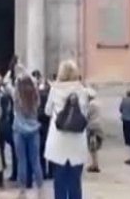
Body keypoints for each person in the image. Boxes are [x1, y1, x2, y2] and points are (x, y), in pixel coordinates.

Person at [44, 60, 89, 199]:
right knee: (75, 182)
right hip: (77, 140)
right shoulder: (82, 91)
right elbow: (85, 114)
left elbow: (47, 111)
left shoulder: (54, 90)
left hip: (58, 140)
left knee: (59, 182)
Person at [12, 75, 44, 198]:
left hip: (19, 130)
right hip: (34, 130)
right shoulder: (35, 98)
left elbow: (10, 85)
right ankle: (40, 188)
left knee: (22, 161)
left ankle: (22, 190)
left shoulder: (17, 97)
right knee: (35, 161)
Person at [86, 88, 103, 173]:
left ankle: (95, 165)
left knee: (92, 147)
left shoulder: (91, 105)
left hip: (92, 127)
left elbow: (87, 115)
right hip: (98, 126)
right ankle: (94, 164)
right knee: (94, 147)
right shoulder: (97, 103)